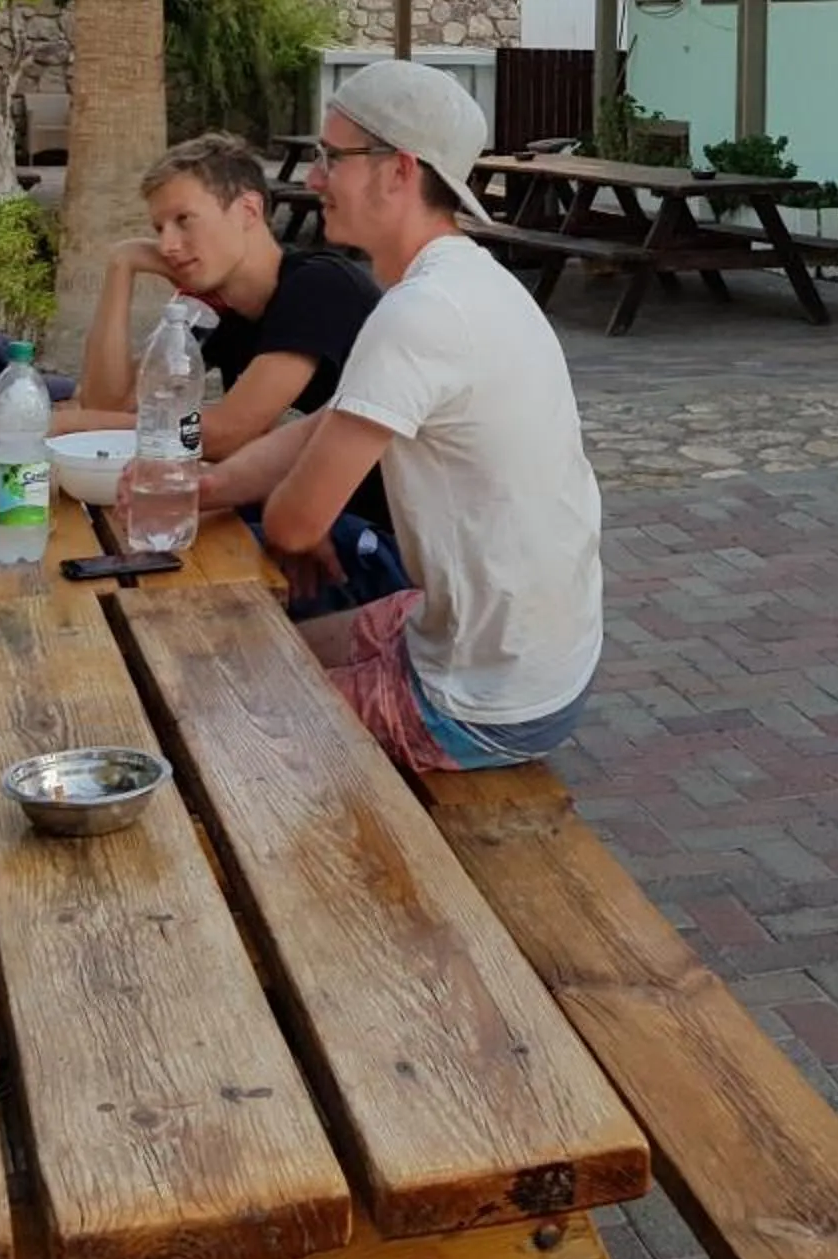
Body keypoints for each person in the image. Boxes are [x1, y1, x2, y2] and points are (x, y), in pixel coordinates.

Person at [199, 62, 602, 772]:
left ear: (399, 171)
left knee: (213, 718)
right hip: (527, 658)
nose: (314, 177)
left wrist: (284, 503)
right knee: (250, 645)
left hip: (484, 702)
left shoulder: (420, 313)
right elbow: (320, 427)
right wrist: (201, 489)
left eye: (333, 157)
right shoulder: (468, 281)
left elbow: (296, 525)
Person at [66, 133, 400, 609]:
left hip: (379, 542)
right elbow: (107, 400)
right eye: (158, 228)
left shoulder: (320, 287)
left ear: (247, 211)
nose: (169, 245)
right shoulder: (215, 307)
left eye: (184, 220)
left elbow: (226, 432)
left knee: (161, 599)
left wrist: (76, 423)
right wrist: (122, 267)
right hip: (309, 515)